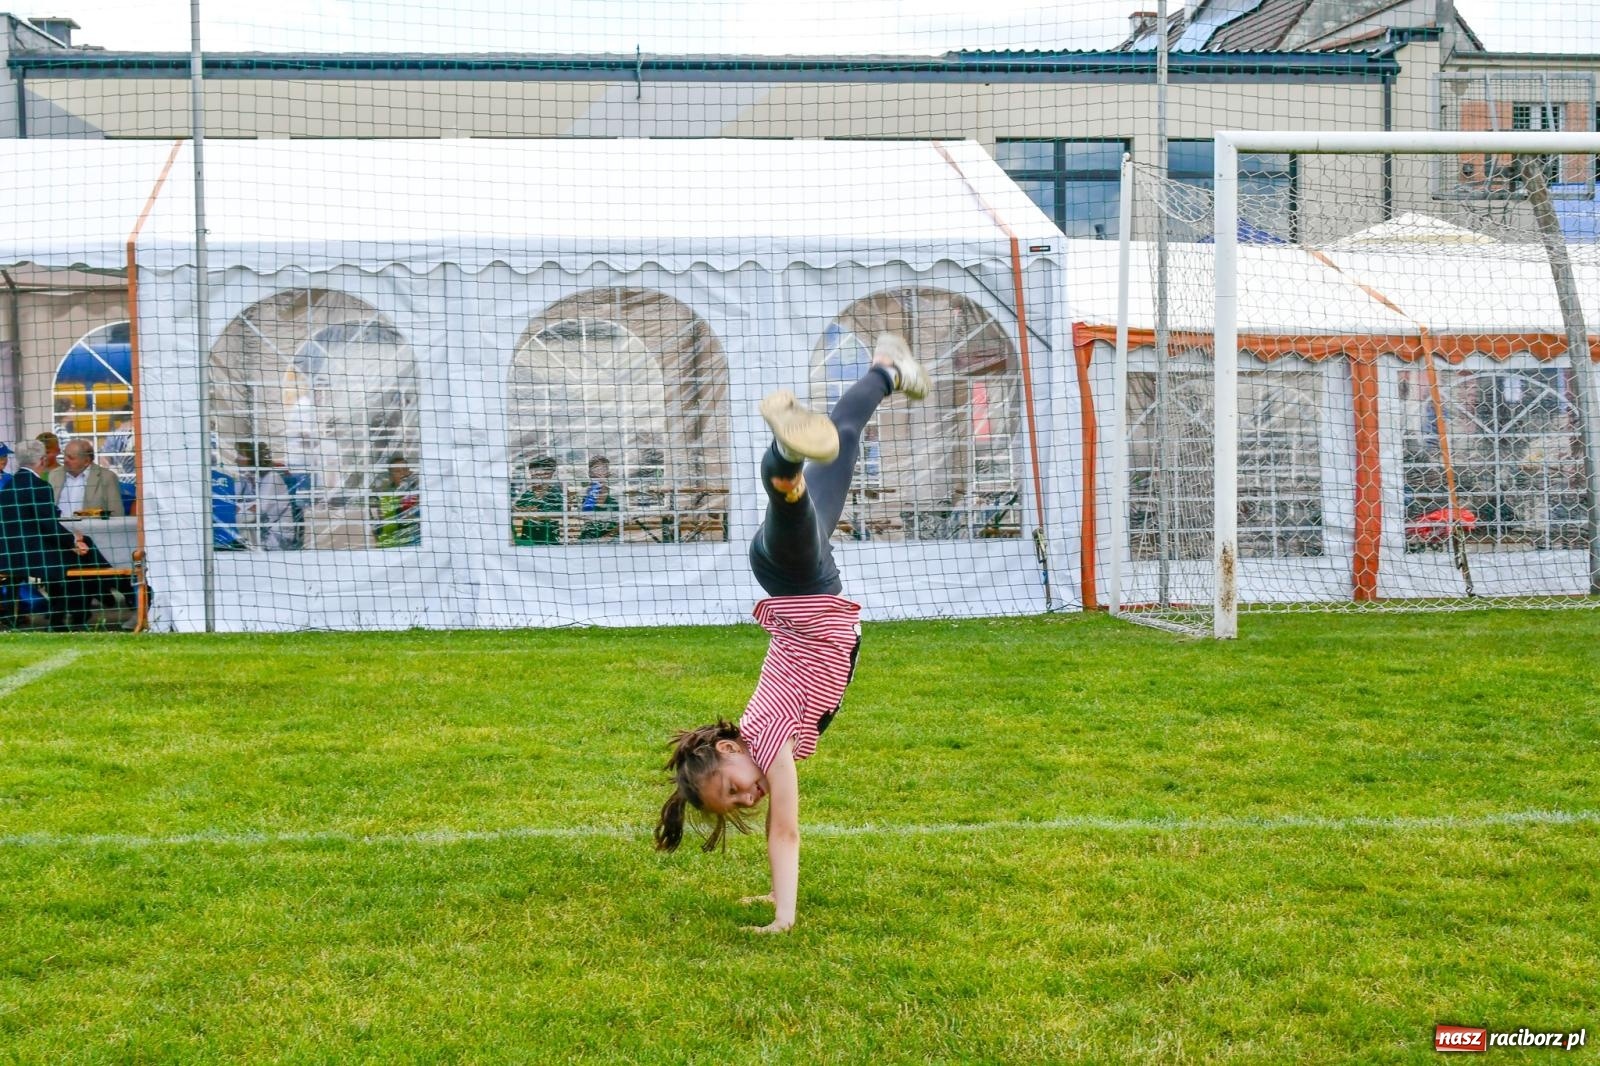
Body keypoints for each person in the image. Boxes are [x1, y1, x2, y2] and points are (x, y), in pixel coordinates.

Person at [653, 335, 927, 934]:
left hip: (801, 583)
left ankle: (783, 458)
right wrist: (773, 892)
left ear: (728, 752)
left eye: (734, 790)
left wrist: (784, 917)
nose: (750, 798)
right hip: (798, 577)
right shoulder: (760, 737)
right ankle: (886, 368)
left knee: (791, 503)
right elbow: (776, 823)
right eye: (737, 804)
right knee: (843, 443)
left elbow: (787, 828)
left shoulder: (767, 739)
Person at [0, 438, 118, 629]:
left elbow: (44, 521)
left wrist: (75, 541)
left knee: (82, 549)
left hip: (10, 554)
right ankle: (111, 587)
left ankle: (98, 594)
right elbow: (48, 525)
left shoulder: (8, 487)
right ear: (42, 460)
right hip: (33, 556)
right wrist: (73, 540)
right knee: (82, 556)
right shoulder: (40, 487)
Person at [235, 442, 303, 551]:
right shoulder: (245, 478)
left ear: (254, 458)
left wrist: (238, 508)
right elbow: (231, 502)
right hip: (256, 533)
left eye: (241, 455)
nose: (236, 459)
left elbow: (258, 509)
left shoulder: (272, 477)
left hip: (277, 537)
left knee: (240, 518)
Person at [48, 438, 127, 518]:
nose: (65, 460)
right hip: (57, 528)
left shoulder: (107, 477)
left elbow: (117, 514)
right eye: (64, 456)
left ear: (86, 461)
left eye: (71, 458)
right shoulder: (54, 474)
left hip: (91, 529)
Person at [512, 455, 565, 546]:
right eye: (533, 472)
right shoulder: (528, 493)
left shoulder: (556, 494)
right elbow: (517, 508)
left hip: (549, 541)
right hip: (527, 541)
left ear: (551, 474)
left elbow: (556, 513)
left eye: (541, 472)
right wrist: (522, 511)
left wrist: (530, 513)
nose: (536, 475)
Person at [371, 453, 421, 547]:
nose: (402, 473)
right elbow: (380, 526)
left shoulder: (420, 493)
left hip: (415, 544)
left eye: (405, 469)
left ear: (410, 472)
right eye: (397, 471)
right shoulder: (385, 496)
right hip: (391, 544)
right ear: (391, 477)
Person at [578, 454, 619, 541]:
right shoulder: (583, 493)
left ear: (608, 472)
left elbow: (622, 521)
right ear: (590, 472)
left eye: (603, 468)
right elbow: (584, 517)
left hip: (611, 538)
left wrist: (608, 536)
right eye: (596, 468)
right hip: (589, 538)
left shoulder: (615, 493)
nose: (600, 472)